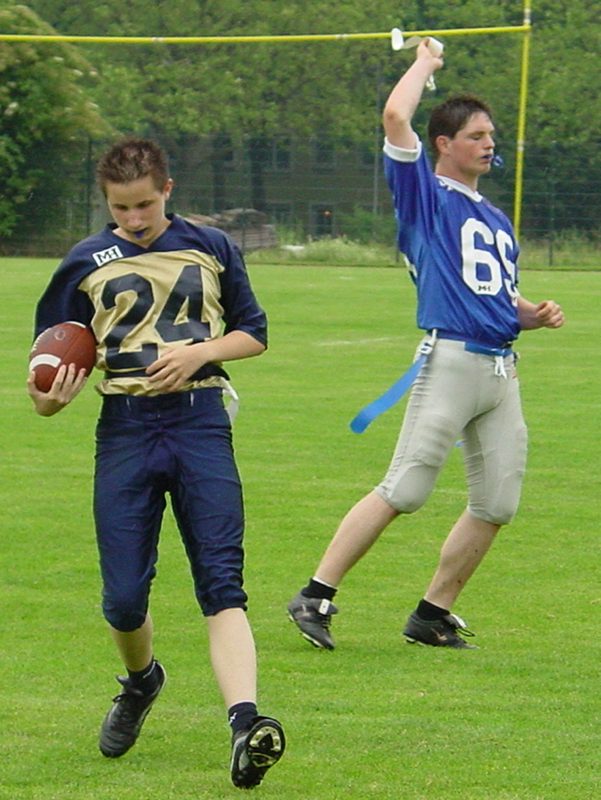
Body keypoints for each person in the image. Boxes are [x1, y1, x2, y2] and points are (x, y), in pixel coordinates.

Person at [287, 40, 565, 651]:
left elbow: (498, 295)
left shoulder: (494, 217)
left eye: (491, 135)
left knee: (498, 501)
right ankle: (314, 593)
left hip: (500, 370)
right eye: (476, 135)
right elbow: (395, 116)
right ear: (444, 143)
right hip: (453, 359)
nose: (489, 143)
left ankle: (432, 613)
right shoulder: (426, 196)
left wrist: (533, 314)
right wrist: (425, 64)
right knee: (406, 488)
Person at [27, 137, 285, 788]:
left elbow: (253, 332)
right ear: (105, 201)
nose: (135, 218)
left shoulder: (210, 245)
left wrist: (201, 352)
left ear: (167, 189)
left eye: (144, 204)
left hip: (199, 422)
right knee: (122, 599)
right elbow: (49, 368)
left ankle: (245, 724)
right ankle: (142, 681)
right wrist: (49, 399)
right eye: (121, 208)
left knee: (222, 583)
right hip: (126, 428)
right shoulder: (83, 261)